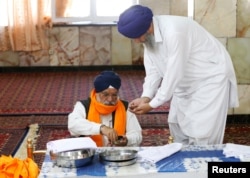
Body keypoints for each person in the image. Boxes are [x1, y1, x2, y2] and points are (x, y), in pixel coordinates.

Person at [117, 5, 239, 145]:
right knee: (177, 126)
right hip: (184, 82)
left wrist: (152, 105)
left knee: (202, 133)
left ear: (147, 27)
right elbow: (153, 70)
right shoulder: (148, 36)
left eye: (136, 37)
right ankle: (184, 164)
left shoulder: (174, 31)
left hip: (209, 80)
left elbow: (174, 72)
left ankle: (203, 165)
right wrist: (146, 97)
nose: (136, 41)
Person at [68, 70, 142, 147]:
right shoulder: (83, 106)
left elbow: (137, 135)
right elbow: (73, 125)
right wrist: (101, 128)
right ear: (96, 93)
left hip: (117, 156)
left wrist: (127, 140)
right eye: (105, 94)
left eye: (114, 95)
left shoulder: (125, 107)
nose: (110, 99)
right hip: (92, 155)